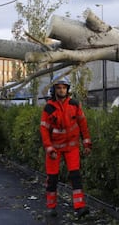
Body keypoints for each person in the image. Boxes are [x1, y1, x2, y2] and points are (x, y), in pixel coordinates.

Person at [40, 75, 92, 218]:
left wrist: (87, 143)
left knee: (75, 177)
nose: (62, 90)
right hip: (54, 149)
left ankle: (79, 207)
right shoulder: (49, 108)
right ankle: (51, 207)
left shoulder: (74, 104)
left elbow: (83, 125)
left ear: (68, 89)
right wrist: (49, 148)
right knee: (52, 179)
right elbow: (44, 129)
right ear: (54, 89)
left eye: (64, 87)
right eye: (59, 87)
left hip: (72, 147)